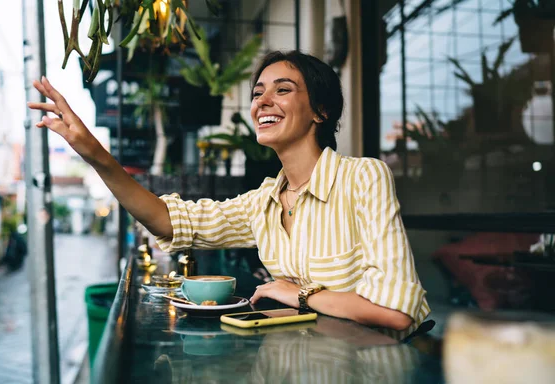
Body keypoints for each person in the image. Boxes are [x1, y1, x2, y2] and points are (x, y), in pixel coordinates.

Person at [28, 50, 430, 339]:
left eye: (283, 90)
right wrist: (95, 153)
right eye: (258, 93)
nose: (262, 102)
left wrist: (299, 293)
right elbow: (171, 221)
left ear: (320, 111)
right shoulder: (265, 199)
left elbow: (395, 313)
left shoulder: (362, 178)